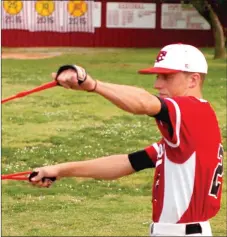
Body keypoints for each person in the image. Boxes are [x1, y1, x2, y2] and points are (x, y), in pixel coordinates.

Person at [30, 43, 224, 236]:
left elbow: (145, 102)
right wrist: (58, 170)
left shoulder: (193, 110)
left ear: (193, 80)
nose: (157, 84)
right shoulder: (187, 133)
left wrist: (93, 85)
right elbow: (127, 162)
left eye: (167, 77)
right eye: (158, 76)